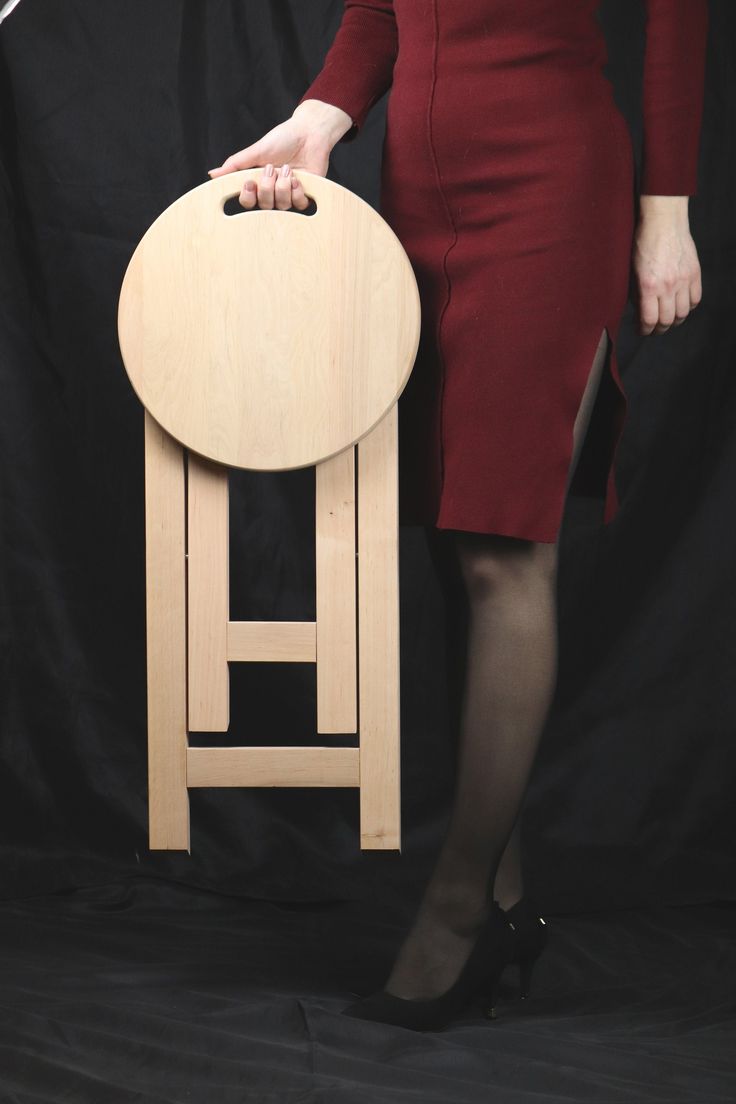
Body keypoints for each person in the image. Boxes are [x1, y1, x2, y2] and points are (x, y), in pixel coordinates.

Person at [208, 0, 709, 1031]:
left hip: (551, 183)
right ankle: (507, 904)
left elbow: (677, 21)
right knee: (450, 543)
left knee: (500, 548)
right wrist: (320, 120)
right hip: (419, 196)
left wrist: (665, 215)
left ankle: (453, 915)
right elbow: (380, 14)